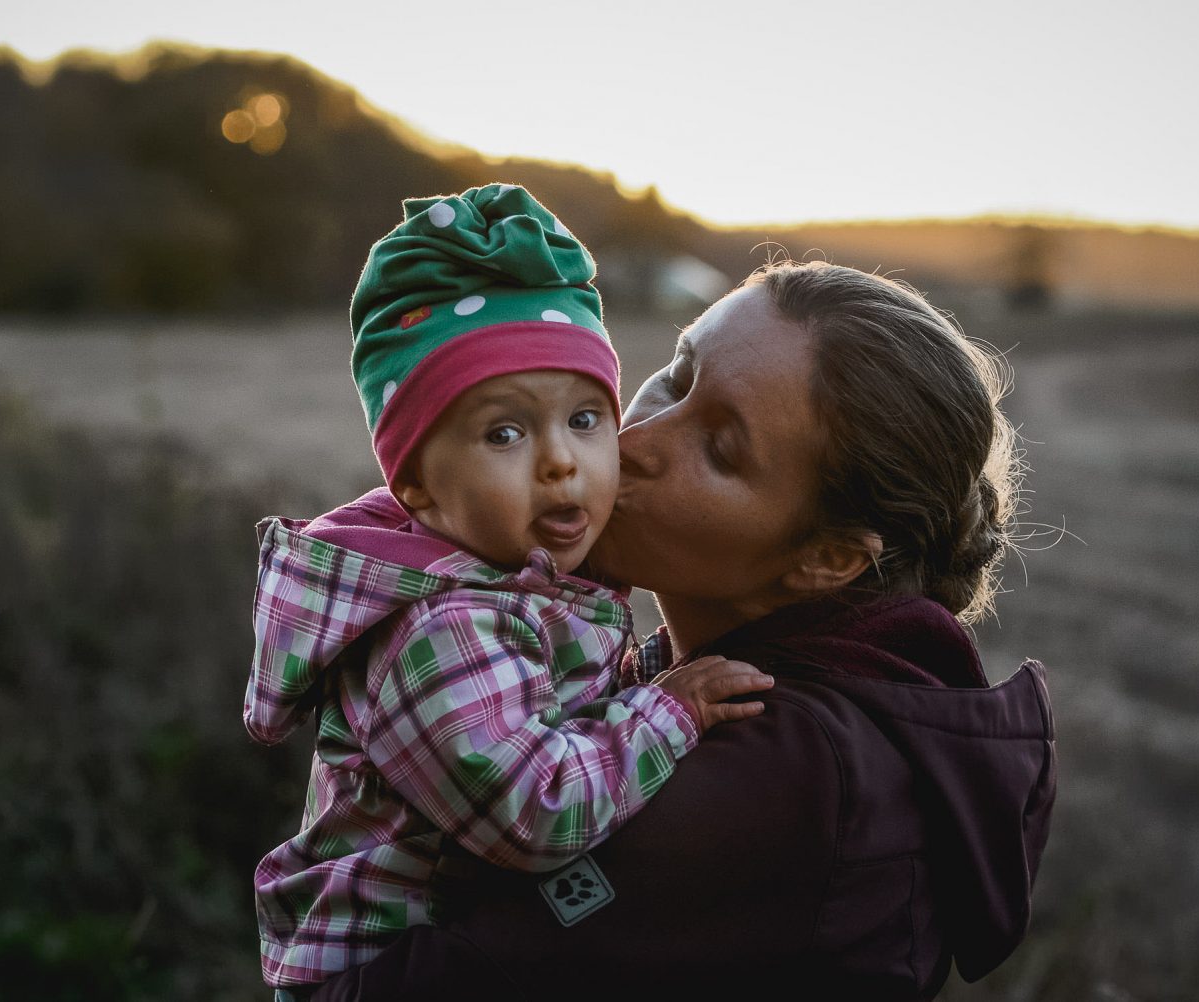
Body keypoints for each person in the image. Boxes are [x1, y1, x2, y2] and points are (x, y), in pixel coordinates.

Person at [307, 260, 1058, 1001]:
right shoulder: (709, 674)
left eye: (720, 448)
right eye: (674, 373)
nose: (626, 442)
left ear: (826, 559)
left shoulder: (787, 776)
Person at [242, 184, 774, 994]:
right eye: (505, 432)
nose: (562, 461)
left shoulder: (524, 583)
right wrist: (671, 709)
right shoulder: (441, 623)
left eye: (585, 419)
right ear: (417, 484)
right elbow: (535, 809)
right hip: (376, 975)